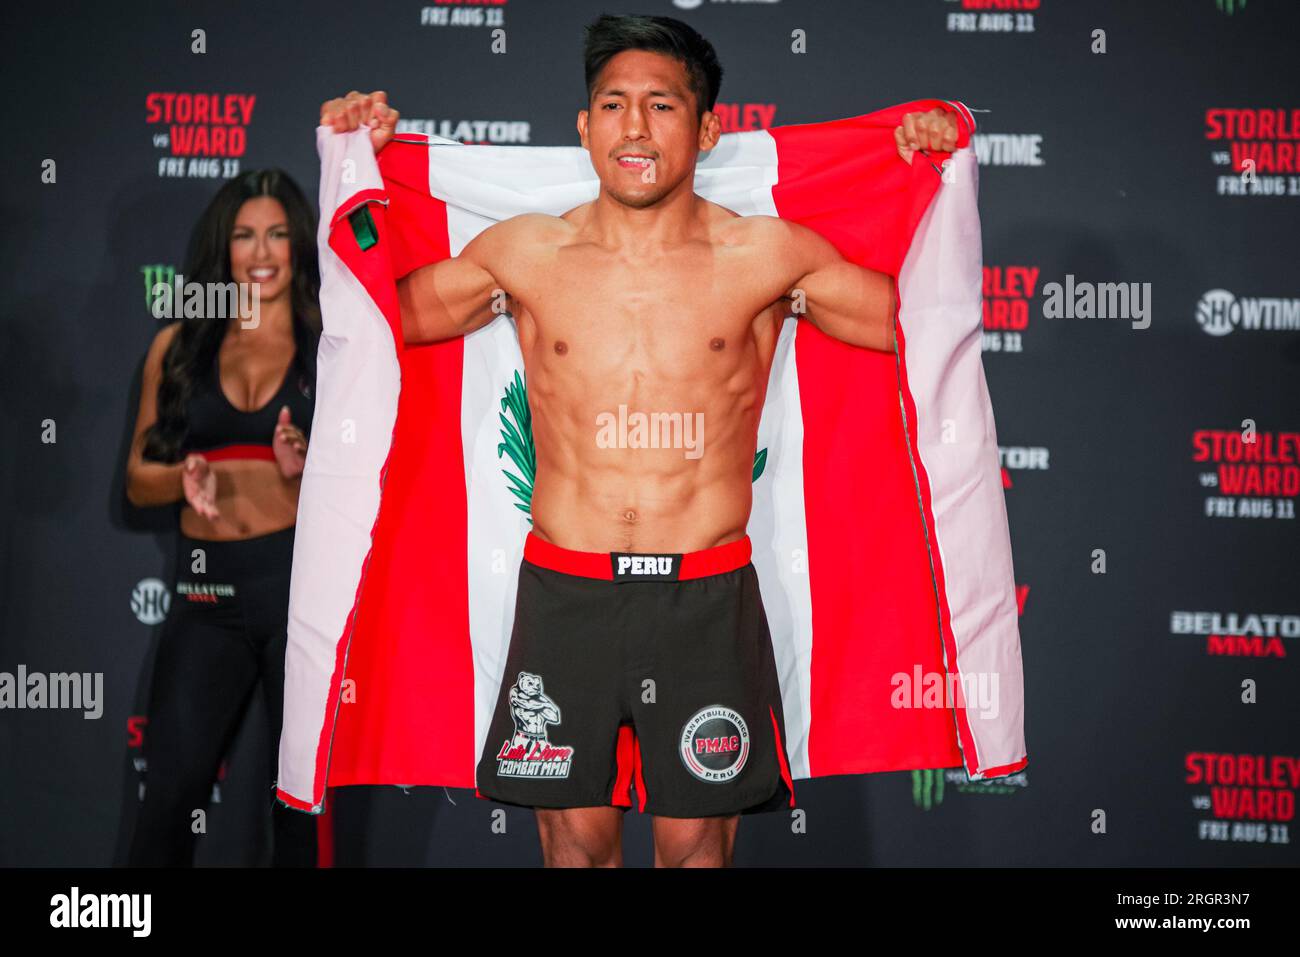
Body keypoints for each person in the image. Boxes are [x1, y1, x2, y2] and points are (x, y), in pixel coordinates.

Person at [320, 13, 960, 868]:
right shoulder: (525, 253)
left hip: (704, 598)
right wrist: (352, 167)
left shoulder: (764, 256)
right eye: (612, 104)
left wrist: (939, 172)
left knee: (697, 855)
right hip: (566, 592)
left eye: (660, 105)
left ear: (706, 129)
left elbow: (926, 322)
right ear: (583, 128)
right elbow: (369, 317)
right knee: (574, 852)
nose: (633, 125)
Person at [125, 168, 321, 867]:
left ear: (299, 245)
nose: (261, 250)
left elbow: (373, 486)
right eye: (244, 234)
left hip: (298, 599)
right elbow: (137, 483)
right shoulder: (179, 345)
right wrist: (182, 475)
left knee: (299, 811)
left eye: (276, 233)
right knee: (169, 798)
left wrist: (311, 469)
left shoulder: (331, 346)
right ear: (223, 247)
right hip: (205, 597)